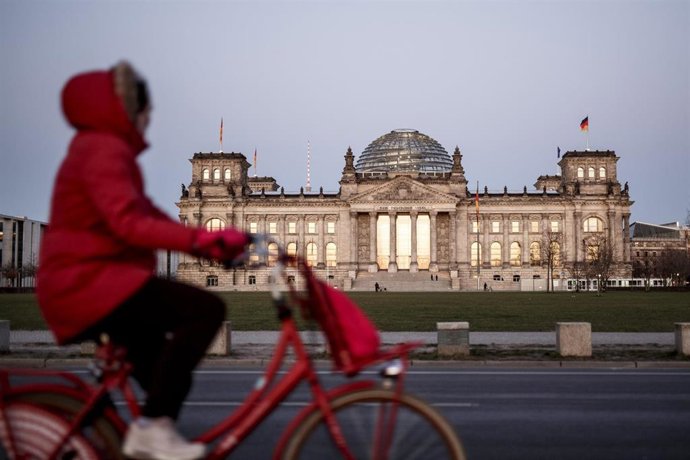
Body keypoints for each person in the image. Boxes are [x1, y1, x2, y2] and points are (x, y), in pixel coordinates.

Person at [37, 61, 249, 460]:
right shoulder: (102, 150)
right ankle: (150, 432)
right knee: (205, 308)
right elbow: (128, 222)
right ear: (123, 109)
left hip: (96, 284)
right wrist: (203, 240)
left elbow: (146, 213)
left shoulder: (108, 153)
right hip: (89, 286)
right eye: (143, 106)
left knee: (169, 382)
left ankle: (137, 436)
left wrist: (206, 239)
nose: (149, 116)